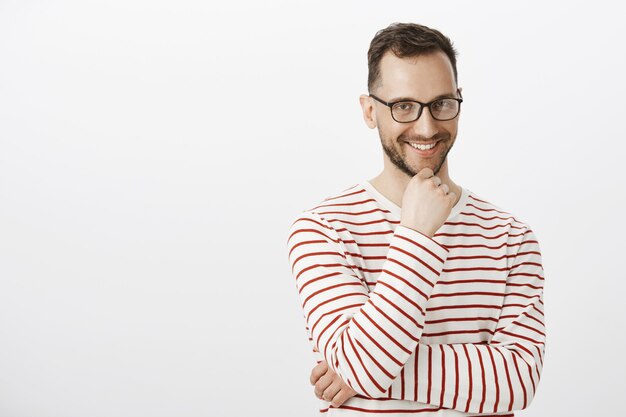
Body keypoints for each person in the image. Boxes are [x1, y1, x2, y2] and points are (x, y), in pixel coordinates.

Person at [286, 22, 545, 416]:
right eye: (403, 106)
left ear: (459, 101)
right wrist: (416, 235)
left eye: (442, 103)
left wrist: (361, 368)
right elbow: (361, 364)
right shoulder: (323, 230)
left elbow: (517, 384)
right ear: (370, 111)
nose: (426, 126)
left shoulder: (511, 238)